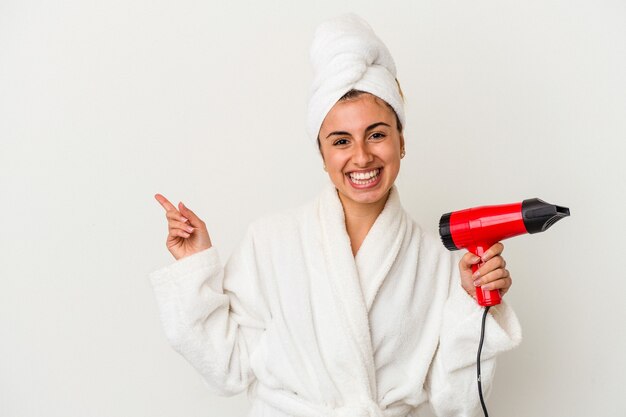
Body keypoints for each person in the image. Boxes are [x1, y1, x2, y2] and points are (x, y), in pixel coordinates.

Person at [149, 14, 521, 417]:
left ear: (401, 141)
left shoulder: (438, 263)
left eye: (377, 134)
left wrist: (472, 303)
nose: (361, 156)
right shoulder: (270, 242)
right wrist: (194, 269)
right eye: (341, 141)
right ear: (323, 156)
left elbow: (457, 400)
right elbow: (226, 369)